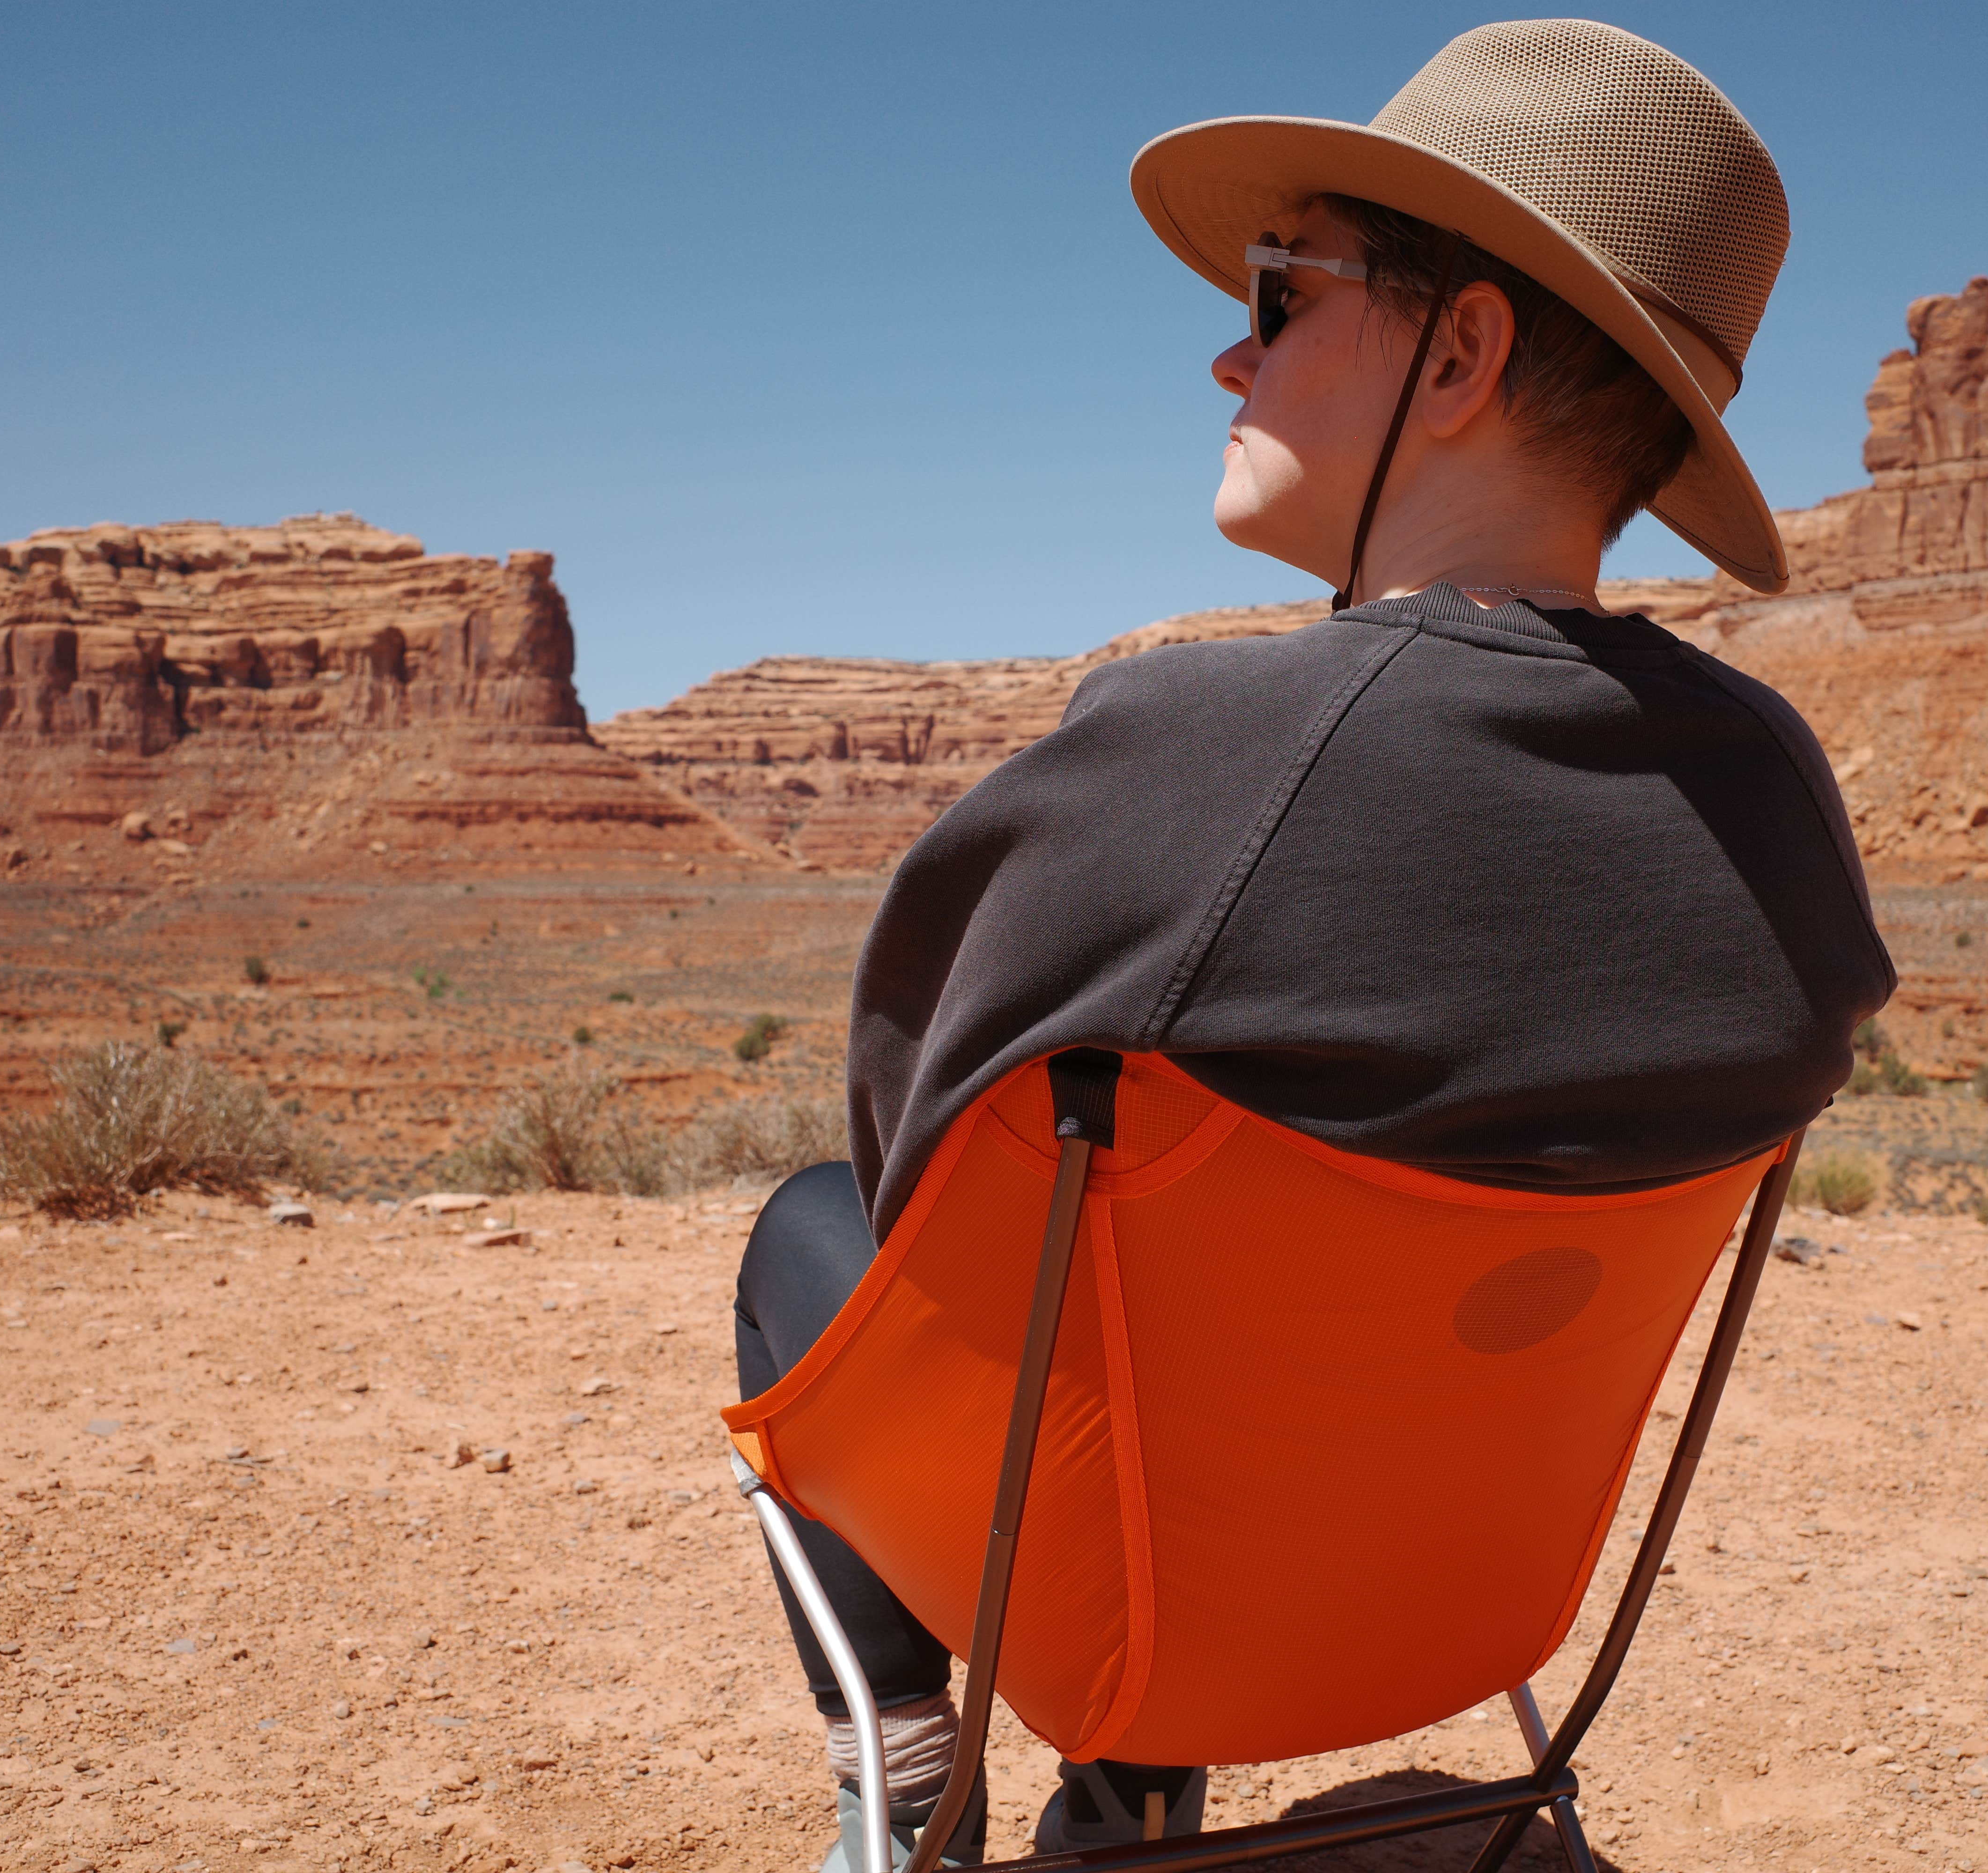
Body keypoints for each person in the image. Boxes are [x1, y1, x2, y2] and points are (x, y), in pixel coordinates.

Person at [731, 20, 1896, 1869]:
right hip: (1467, 1604)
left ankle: (911, 1772)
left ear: (1460, 350)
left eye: (1282, 294)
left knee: (807, 1229)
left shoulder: (1185, 754)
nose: (1228, 344)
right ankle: (1117, 1804)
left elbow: (922, 1171)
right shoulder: (1779, 801)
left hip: (1146, 1616)